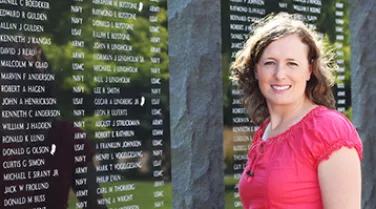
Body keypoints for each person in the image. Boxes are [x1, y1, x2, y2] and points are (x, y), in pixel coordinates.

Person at [231, 13, 363, 209]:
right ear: (255, 69)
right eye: (269, 63)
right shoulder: (265, 132)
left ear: (309, 70)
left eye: (292, 63)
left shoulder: (328, 129)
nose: (280, 74)